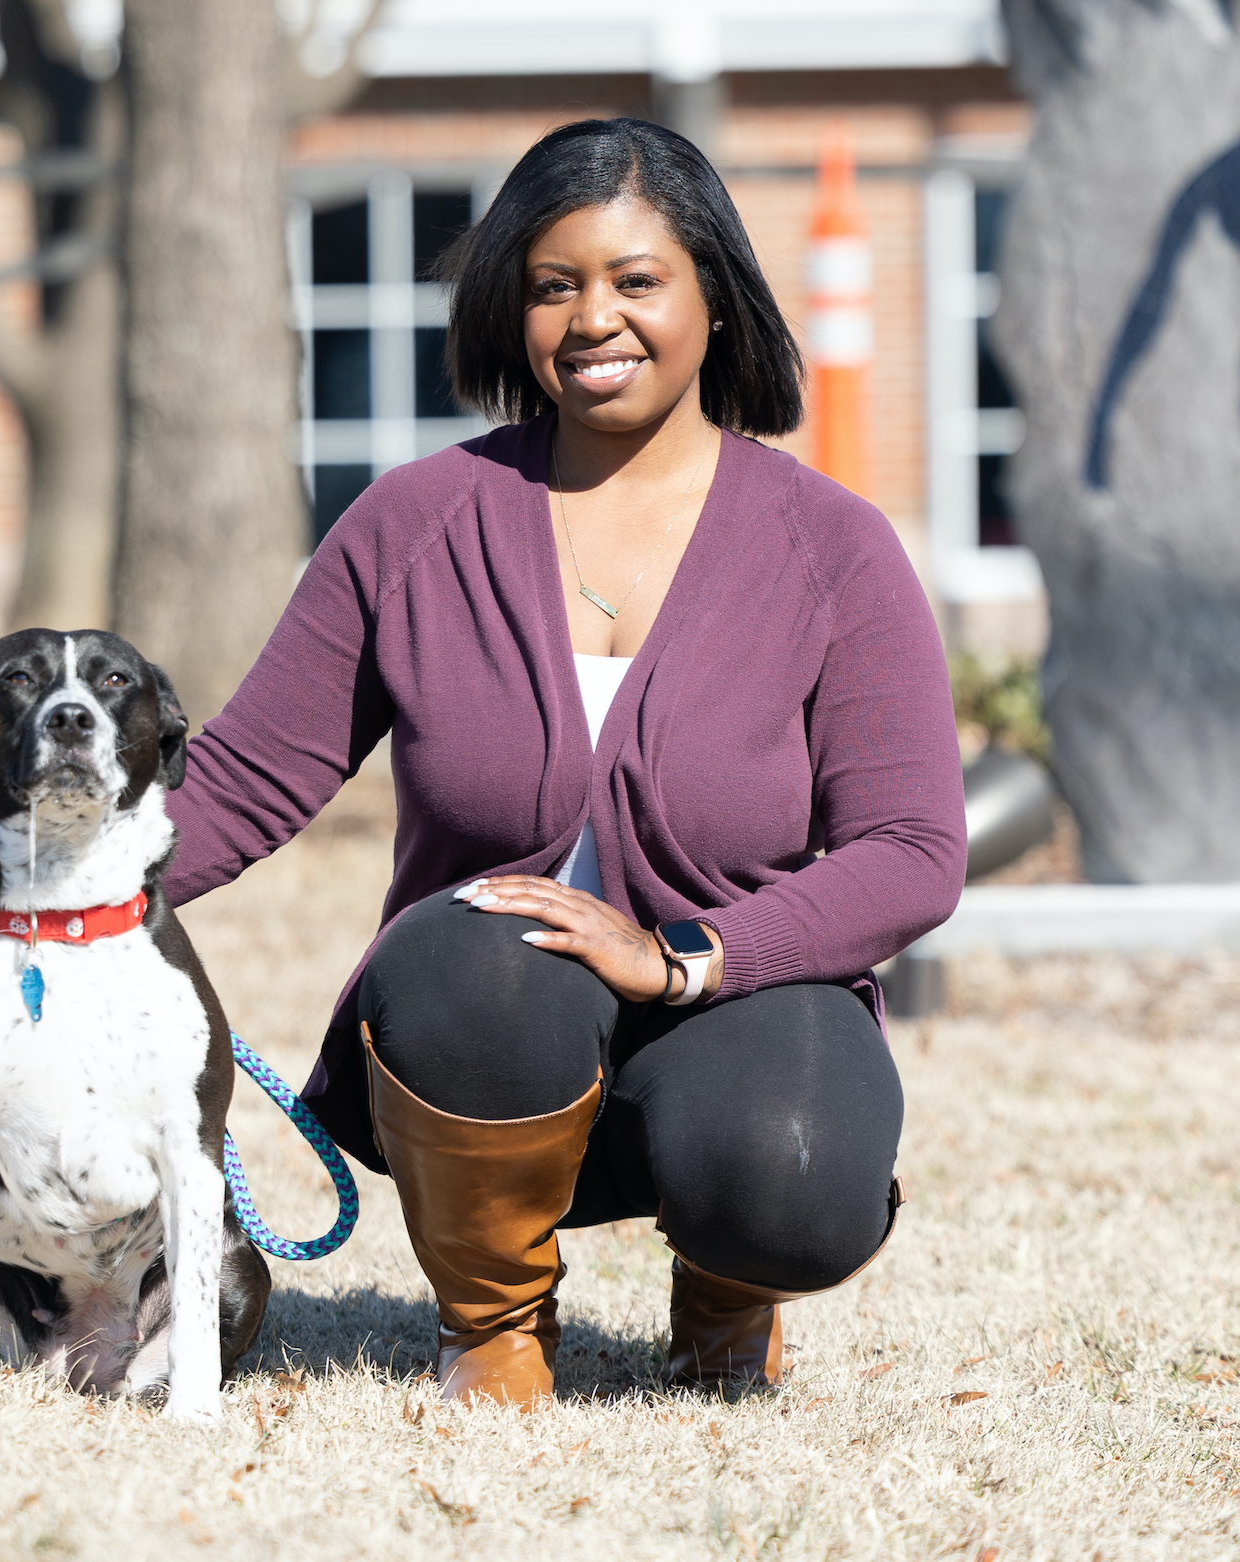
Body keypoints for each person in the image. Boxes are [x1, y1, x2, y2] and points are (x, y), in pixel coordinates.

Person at [160, 117, 966, 1407]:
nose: (596, 318)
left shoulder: (834, 546)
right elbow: (248, 779)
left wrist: (688, 957)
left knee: (796, 1177)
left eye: (637, 280)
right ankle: (492, 1325)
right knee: (475, 942)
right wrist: (42, 895)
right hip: (483, 1033)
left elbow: (914, 851)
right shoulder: (415, 528)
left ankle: (727, 1292)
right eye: (555, 285)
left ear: (715, 296)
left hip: (738, 1002)